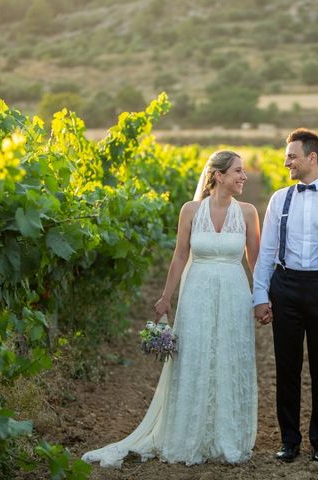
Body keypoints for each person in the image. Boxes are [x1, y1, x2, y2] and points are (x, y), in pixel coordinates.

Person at [82, 151, 261, 468]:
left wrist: (263, 297)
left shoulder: (248, 213)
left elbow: (255, 261)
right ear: (218, 175)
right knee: (194, 357)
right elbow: (180, 256)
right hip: (197, 294)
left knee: (229, 357)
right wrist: (165, 298)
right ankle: (189, 434)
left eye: (243, 171)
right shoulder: (191, 210)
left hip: (234, 293)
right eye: (238, 171)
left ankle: (226, 437)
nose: (244, 176)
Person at [253, 128, 318, 465]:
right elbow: (267, 251)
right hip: (284, 287)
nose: (286, 162)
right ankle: (289, 440)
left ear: (311, 157)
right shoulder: (278, 199)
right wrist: (260, 294)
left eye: (291, 156)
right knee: (286, 368)